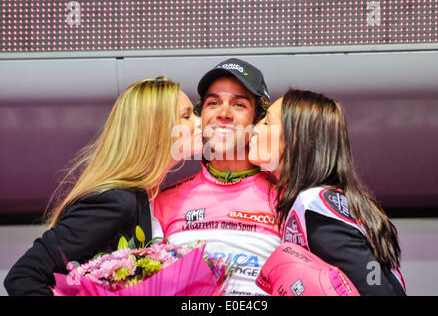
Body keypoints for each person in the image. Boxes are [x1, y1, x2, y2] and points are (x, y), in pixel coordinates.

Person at [4, 77, 202, 296]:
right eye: (186, 116)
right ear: (155, 131)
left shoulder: (142, 197)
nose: (199, 121)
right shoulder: (115, 200)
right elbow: (23, 277)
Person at [249, 89, 406, 296]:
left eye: (267, 123)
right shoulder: (321, 201)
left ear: (295, 139)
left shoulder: (315, 204)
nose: (255, 128)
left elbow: (376, 289)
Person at [153, 58, 281, 296]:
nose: (224, 114)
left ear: (258, 120)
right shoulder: (162, 202)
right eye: (213, 103)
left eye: (239, 105)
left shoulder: (286, 199)